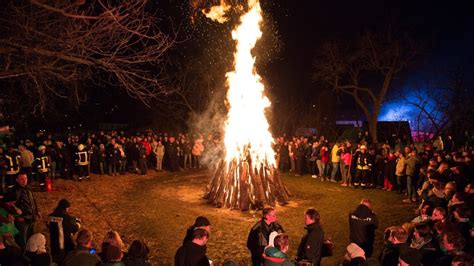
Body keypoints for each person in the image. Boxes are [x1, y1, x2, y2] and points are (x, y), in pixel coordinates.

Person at [9, 172, 40, 249]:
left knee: (31, 239)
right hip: (22, 221)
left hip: (31, 218)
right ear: (17, 180)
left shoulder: (28, 188)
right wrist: (18, 216)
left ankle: (30, 254)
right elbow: (9, 205)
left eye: (25, 178)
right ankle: (22, 256)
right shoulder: (14, 191)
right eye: (22, 179)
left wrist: (36, 211)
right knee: (22, 241)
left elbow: (32, 201)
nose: (24, 181)